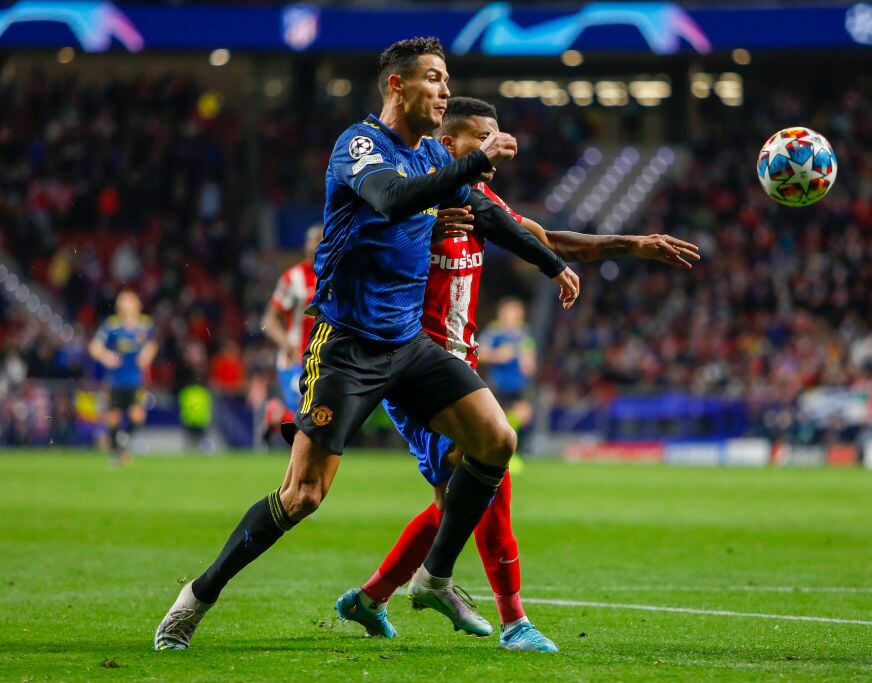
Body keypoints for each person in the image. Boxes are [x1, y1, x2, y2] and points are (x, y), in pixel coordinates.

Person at [154, 37, 580, 651]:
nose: (443, 90)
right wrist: (472, 162)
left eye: (447, 79)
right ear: (397, 86)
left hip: (408, 344)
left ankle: (433, 577)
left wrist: (551, 264)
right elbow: (393, 198)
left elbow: (486, 215)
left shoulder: (432, 154)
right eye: (432, 78)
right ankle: (195, 598)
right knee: (302, 496)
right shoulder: (360, 146)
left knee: (496, 440)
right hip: (348, 346)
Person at [334, 97, 699, 652]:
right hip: (414, 367)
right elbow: (363, 241)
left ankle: (373, 595)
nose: (496, 148)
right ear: (448, 144)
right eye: (483, 137)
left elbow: (544, 238)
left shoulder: (477, 202)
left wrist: (633, 244)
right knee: (490, 476)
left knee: (455, 502)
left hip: (459, 367)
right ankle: (513, 620)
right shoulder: (416, 206)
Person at [260, 225, 322, 443]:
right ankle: (277, 414)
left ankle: (275, 414)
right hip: (294, 357)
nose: (318, 243)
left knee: (318, 416)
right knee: (304, 416)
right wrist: (286, 344)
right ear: (306, 245)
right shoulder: (292, 278)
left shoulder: (334, 277)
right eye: (314, 239)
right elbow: (268, 321)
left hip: (322, 357)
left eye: (322, 239)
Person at [87, 290, 157, 464]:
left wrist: (147, 355)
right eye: (123, 302)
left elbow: (152, 343)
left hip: (136, 379)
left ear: (137, 305)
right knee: (113, 417)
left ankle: (121, 440)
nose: (126, 305)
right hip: (115, 380)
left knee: (138, 416)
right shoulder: (112, 325)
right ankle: (116, 453)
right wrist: (106, 356)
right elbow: (94, 347)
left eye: (129, 301)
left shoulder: (145, 324)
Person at [479, 298, 536, 436]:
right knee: (498, 418)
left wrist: (527, 363)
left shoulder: (524, 334)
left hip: (519, 384)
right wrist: (497, 355)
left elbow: (531, 361)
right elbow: (478, 353)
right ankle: (503, 439)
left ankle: (509, 438)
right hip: (499, 383)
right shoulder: (493, 332)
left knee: (525, 415)